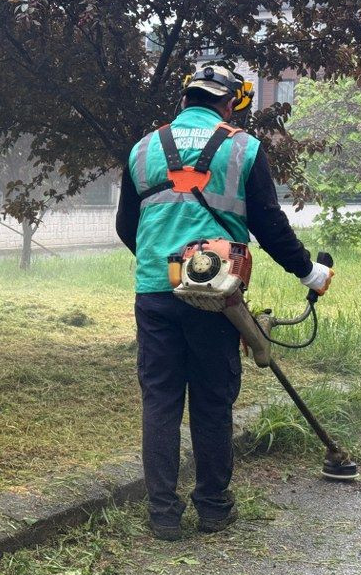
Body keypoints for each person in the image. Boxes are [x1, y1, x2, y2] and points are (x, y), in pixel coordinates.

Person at [115, 64, 334, 540]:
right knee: (213, 401)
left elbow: (124, 226)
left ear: (186, 97)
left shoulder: (142, 149)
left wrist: (163, 264)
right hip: (217, 298)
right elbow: (269, 225)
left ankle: (163, 516)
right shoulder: (243, 148)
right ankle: (213, 509)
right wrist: (310, 272)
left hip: (155, 292)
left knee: (161, 400)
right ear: (231, 101)